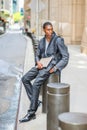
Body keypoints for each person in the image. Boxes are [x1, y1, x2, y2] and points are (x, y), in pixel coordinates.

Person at [19, 22, 69, 123]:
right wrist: (38, 62)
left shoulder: (58, 40)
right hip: (41, 65)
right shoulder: (41, 41)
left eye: (51, 29)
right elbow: (37, 54)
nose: (50, 32)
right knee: (25, 79)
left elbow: (65, 57)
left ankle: (31, 112)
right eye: (48, 30)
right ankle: (35, 101)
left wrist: (55, 68)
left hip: (50, 67)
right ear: (44, 30)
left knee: (36, 83)